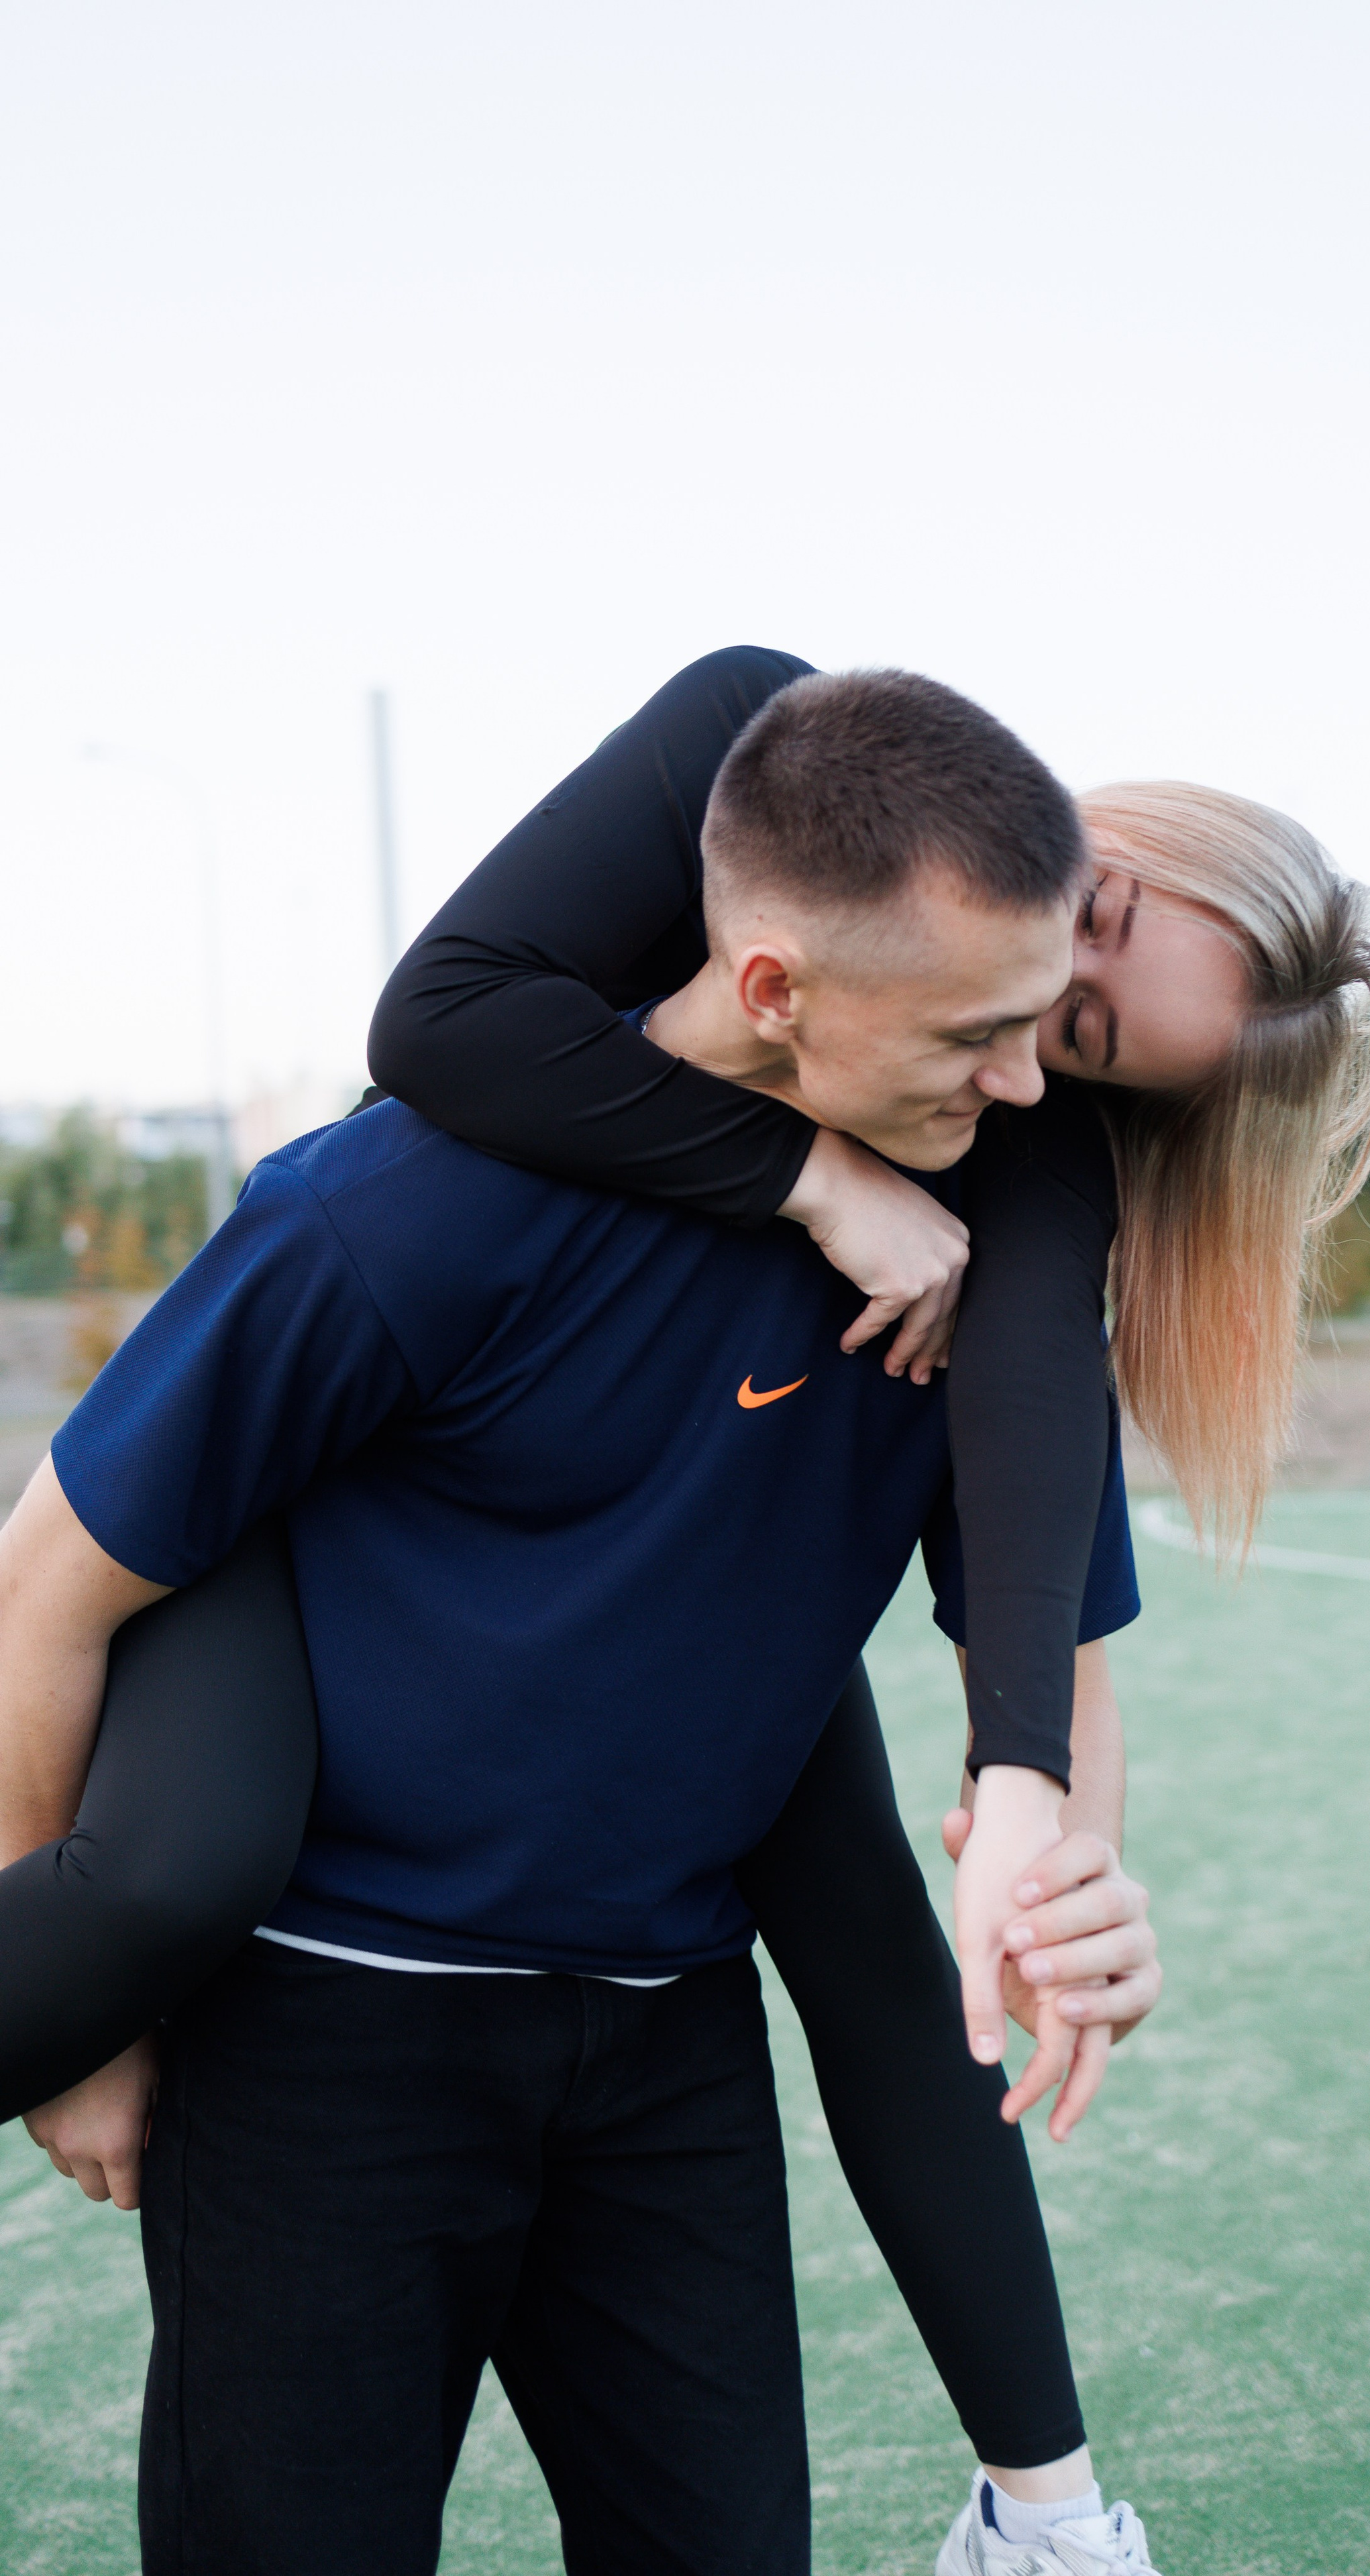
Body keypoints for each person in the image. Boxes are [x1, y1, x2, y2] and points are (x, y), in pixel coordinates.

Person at [0, 668, 1155, 2576]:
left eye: (1048, 1026)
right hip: (325, 2046)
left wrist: (1076, 1876)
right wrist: (69, 2023)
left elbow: (1046, 1656)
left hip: (670, 2046)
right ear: (775, 986)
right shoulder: (402, 1205)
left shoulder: (967, 1276)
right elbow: (43, 1588)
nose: (1030, 1091)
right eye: (980, 1034)